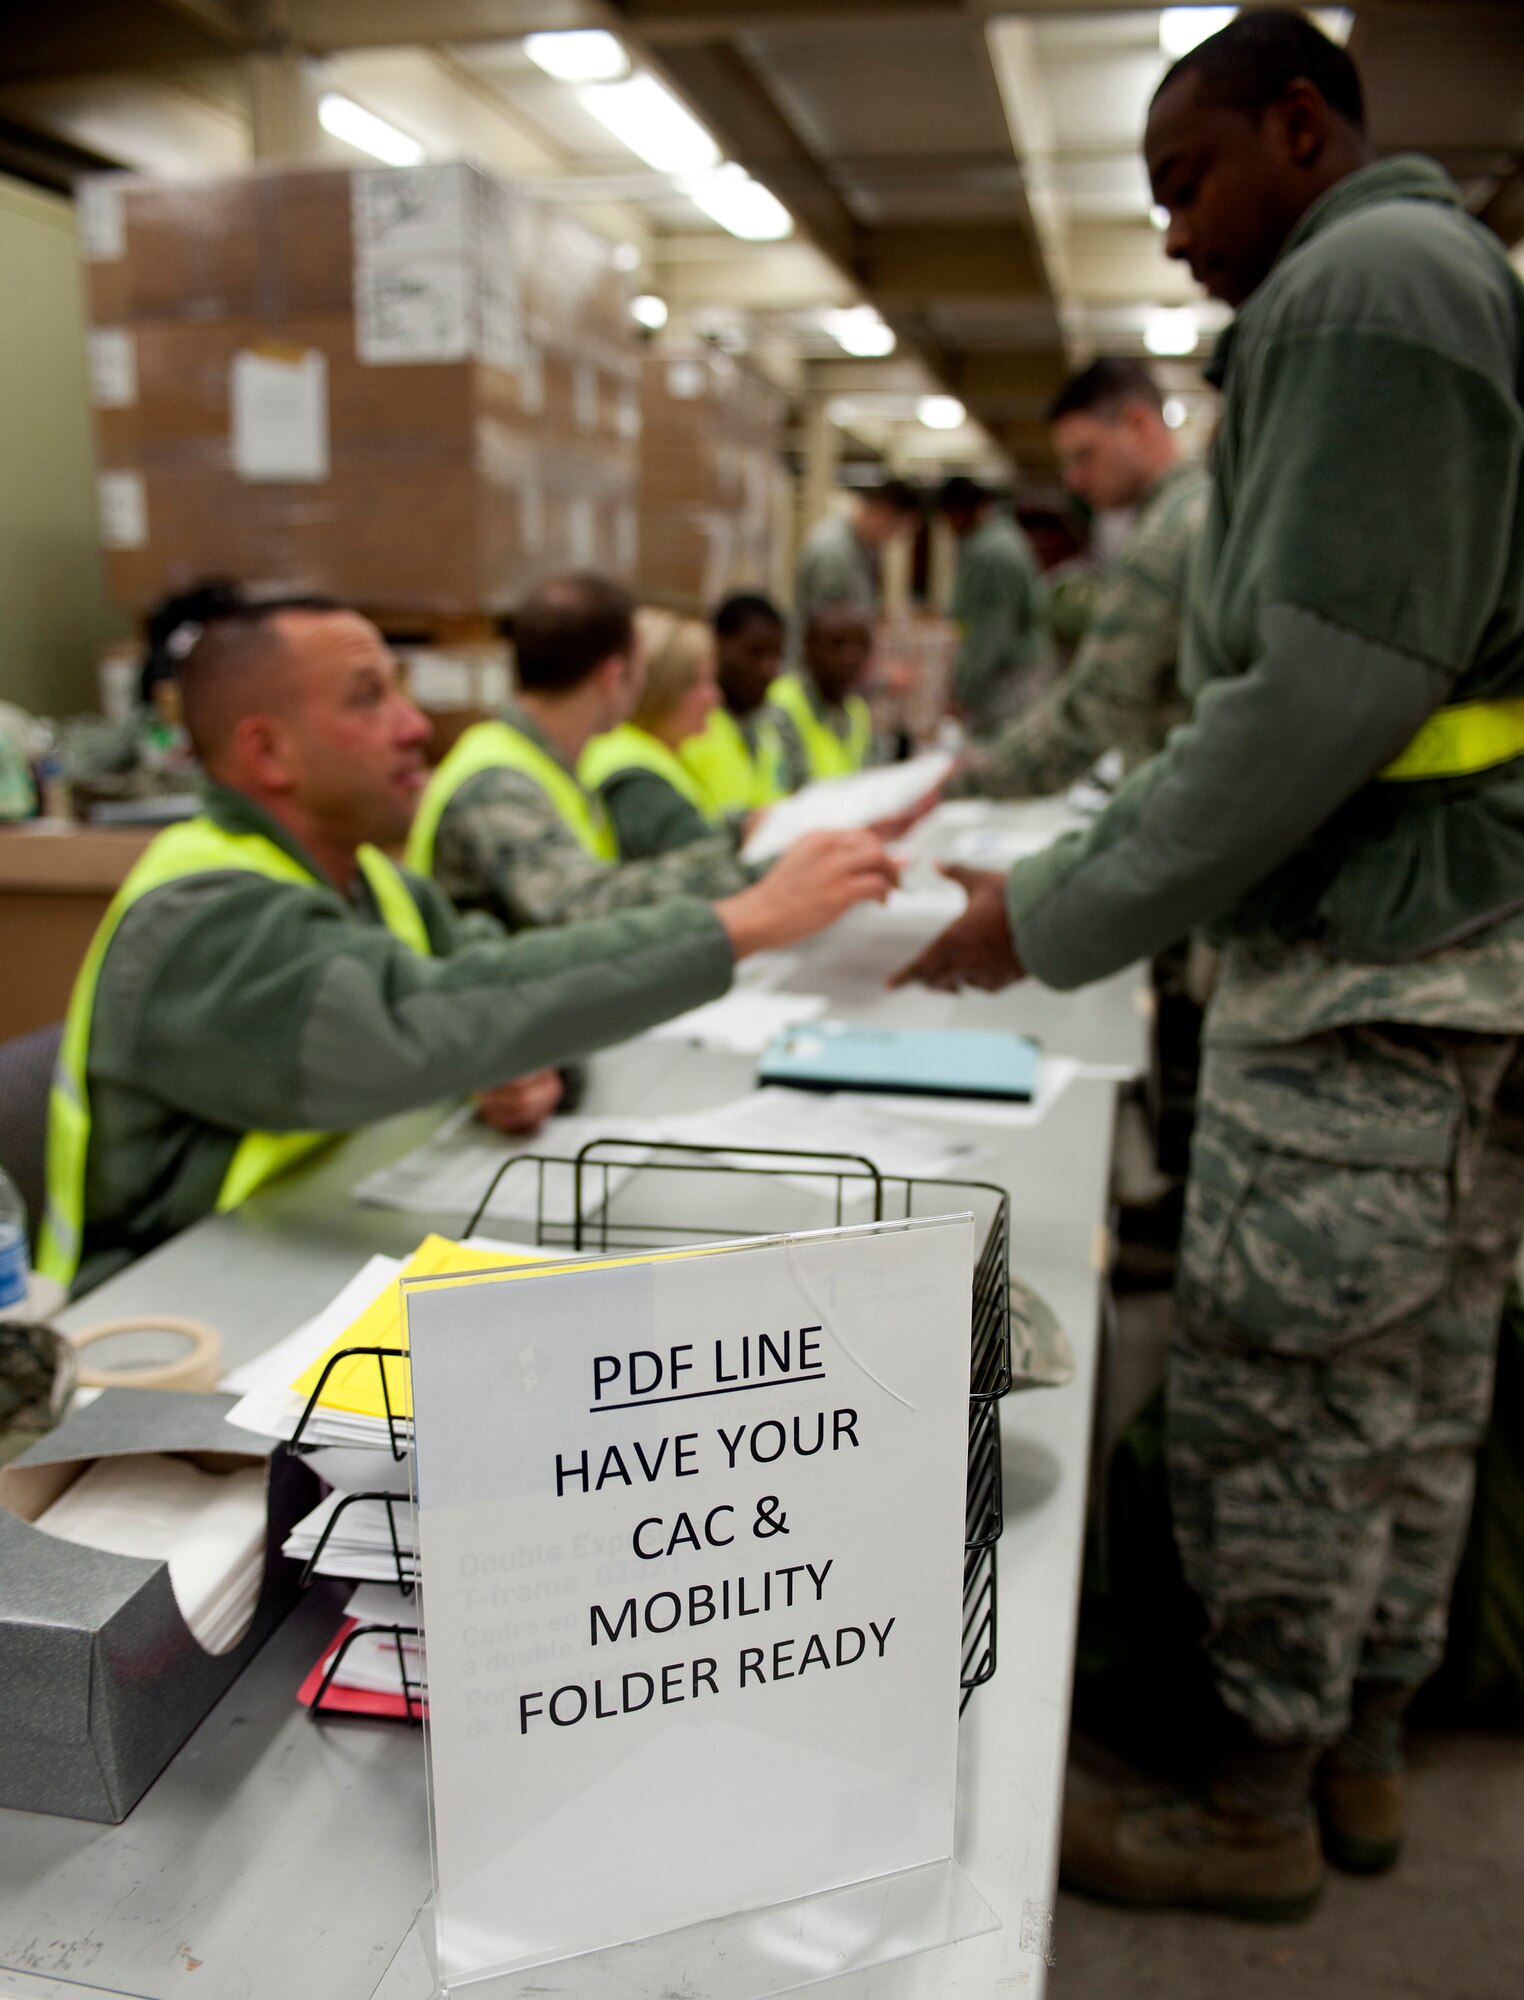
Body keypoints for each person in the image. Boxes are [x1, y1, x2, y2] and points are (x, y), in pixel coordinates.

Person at [894, 7, 1524, 1919]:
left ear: (1303, 126)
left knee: (1274, 1405)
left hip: (1357, 955)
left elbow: (1305, 689)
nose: (1169, 231)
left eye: (1187, 179)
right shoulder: (1428, 275)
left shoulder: (1360, 293)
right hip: (1451, 949)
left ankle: (1246, 1810)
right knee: (1404, 1393)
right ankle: (1350, 1762)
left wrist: (1054, 904)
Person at [36, 600, 898, 1293]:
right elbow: (422, 1020)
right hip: (165, 1312)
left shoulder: (374, 884)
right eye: (369, 698)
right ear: (267, 751)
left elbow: (497, 988)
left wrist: (539, 1072)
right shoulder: (207, 915)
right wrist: (737, 923)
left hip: (311, 1256)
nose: (416, 725)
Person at [408, 575, 764, 929]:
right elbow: (583, 908)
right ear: (613, 676)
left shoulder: (544, 762)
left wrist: (737, 831)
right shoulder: (497, 784)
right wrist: (758, 871)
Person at [946, 362, 1208, 802]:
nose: (1074, 479)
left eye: (1084, 455)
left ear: (1137, 425)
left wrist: (959, 781)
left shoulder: (1164, 537)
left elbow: (1095, 709)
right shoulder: (1205, 505)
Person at [578, 608, 727, 860]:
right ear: (661, 689)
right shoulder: (636, 777)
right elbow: (706, 864)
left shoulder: (650, 752)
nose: (714, 697)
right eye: (698, 683)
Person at [936, 477, 1051, 736]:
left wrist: (962, 693)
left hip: (1006, 680)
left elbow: (988, 632)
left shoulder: (990, 554)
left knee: (994, 755)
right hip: (1014, 675)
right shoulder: (1001, 540)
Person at [680, 593, 790, 814]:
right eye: (754, 653)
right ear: (716, 645)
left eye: (776, 655)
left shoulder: (769, 729)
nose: (768, 669)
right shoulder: (684, 726)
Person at [792, 478, 920, 633]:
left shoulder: (860, 548)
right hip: (823, 656)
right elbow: (828, 628)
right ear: (882, 512)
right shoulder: (832, 551)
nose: (891, 541)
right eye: (896, 530)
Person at [770, 602, 876, 789]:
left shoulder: (857, 710)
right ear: (808, 647)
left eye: (861, 645)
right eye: (837, 643)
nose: (850, 657)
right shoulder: (781, 702)